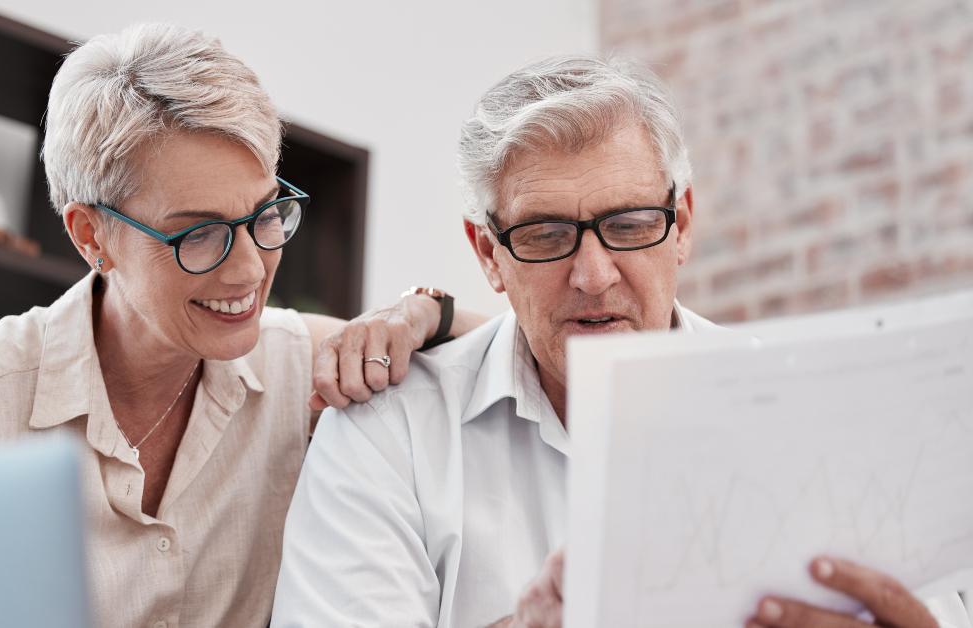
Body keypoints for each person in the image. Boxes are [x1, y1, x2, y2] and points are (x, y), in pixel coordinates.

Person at [271, 56, 967, 627]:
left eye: (630, 224)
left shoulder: (823, 420)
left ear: (683, 224)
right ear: (488, 253)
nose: (594, 275)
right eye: (545, 235)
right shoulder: (385, 437)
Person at [0, 23, 479, 628]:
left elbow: (519, 348)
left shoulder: (296, 362)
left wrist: (415, 311)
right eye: (199, 233)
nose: (249, 269)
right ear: (91, 235)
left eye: (265, 215)